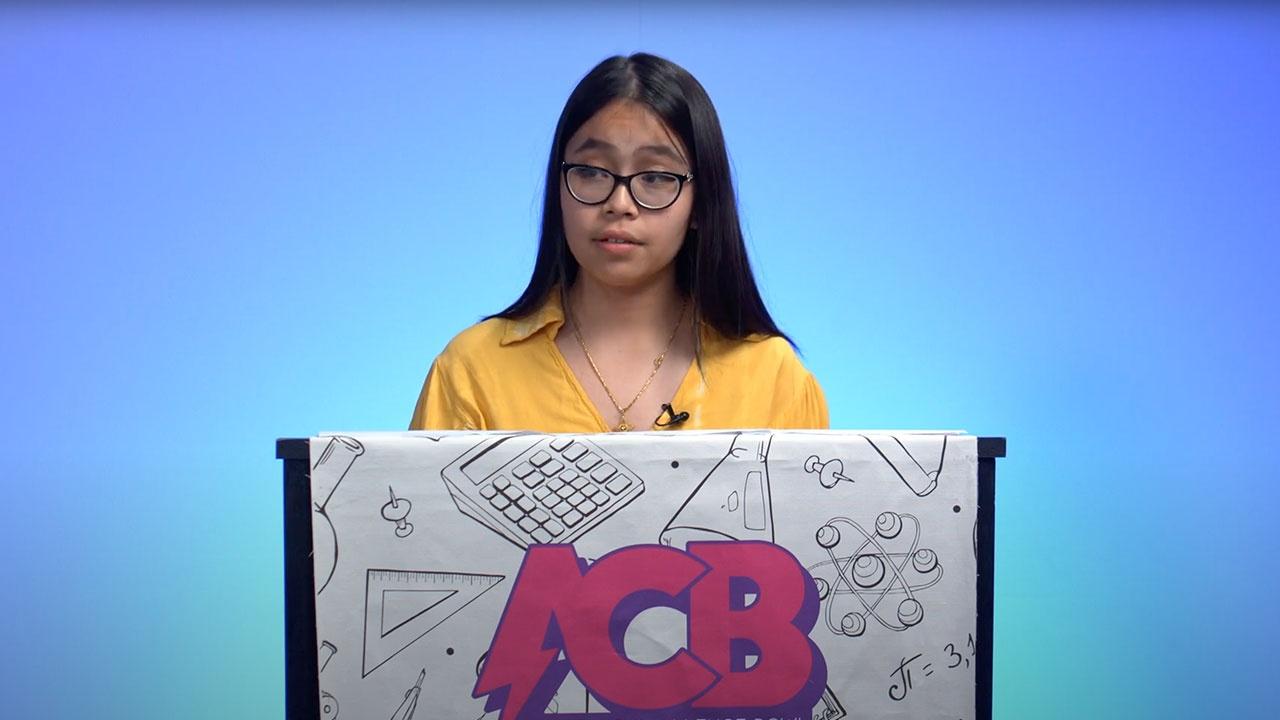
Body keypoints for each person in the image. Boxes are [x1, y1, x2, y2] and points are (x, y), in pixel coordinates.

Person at [410, 53, 827, 432]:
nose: (619, 203)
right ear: (558, 185)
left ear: (701, 205)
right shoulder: (472, 369)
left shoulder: (774, 378)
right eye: (591, 171)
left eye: (656, 177)